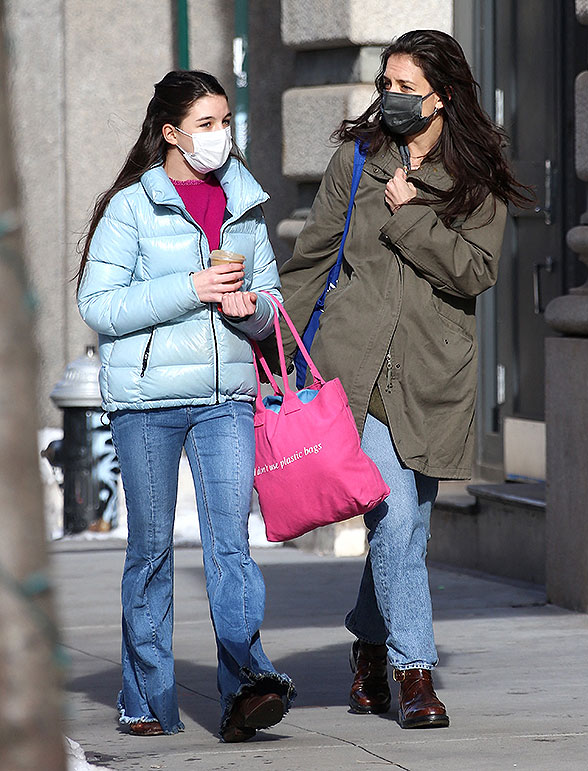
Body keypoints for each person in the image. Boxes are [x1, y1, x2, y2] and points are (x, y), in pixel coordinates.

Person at [270, 30, 530, 729]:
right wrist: (270, 350)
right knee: (396, 515)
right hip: (352, 368)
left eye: (404, 86)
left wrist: (410, 212)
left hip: (430, 374)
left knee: (405, 530)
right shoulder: (356, 161)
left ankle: (366, 644)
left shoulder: (477, 178)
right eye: (384, 83)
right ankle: (414, 673)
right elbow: (311, 261)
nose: (390, 97)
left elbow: (475, 271)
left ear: (441, 96)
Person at [76, 70, 295, 742]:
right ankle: (146, 697)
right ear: (169, 132)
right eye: (205, 124)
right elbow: (97, 306)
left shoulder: (246, 204)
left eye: (225, 121)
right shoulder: (130, 209)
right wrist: (191, 287)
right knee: (150, 551)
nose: (220, 136)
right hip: (147, 403)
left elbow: (275, 309)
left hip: (224, 398)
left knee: (232, 546)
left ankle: (246, 685)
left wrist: (253, 309)